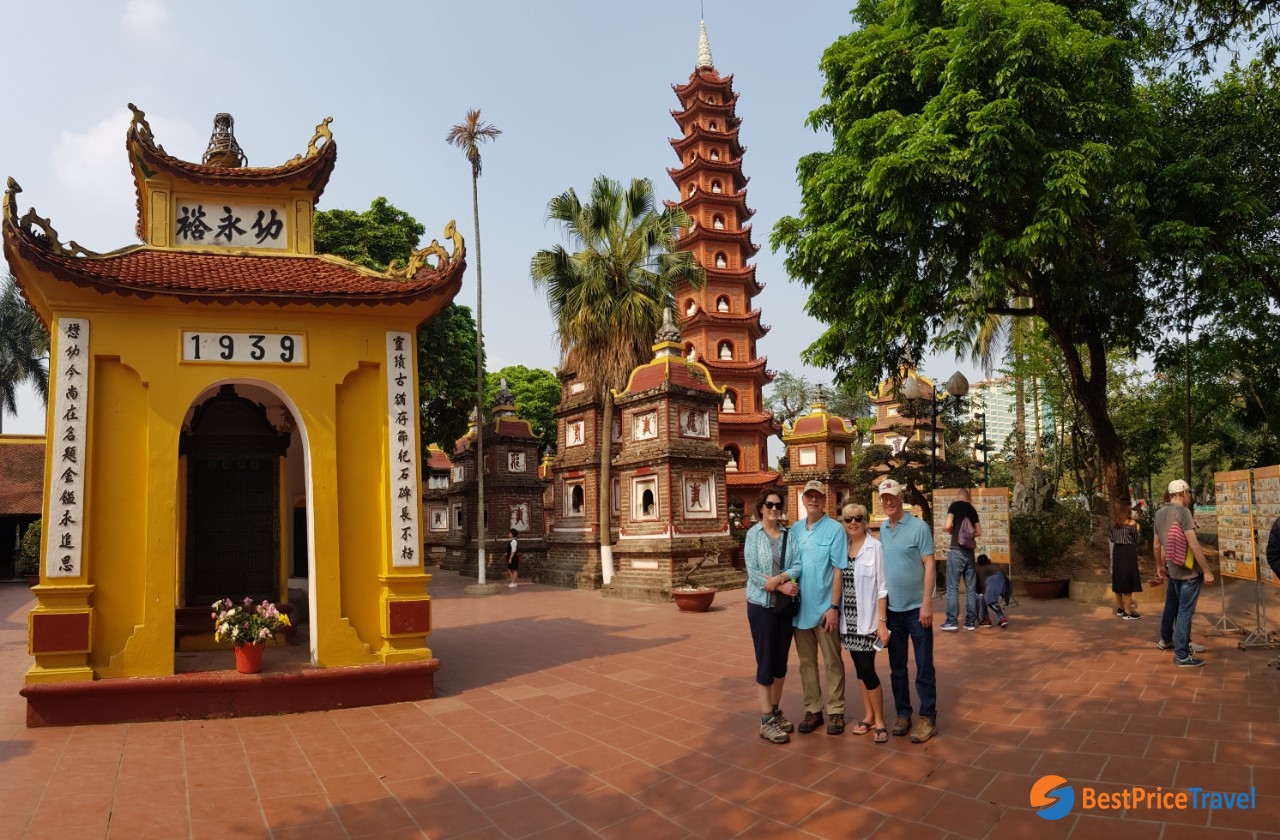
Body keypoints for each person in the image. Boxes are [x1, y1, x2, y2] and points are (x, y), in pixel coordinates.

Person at [877, 478, 938, 743]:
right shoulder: (882, 528)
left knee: (924, 666)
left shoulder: (918, 527)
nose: (888, 502)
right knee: (897, 667)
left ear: (901, 496)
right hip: (893, 611)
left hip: (917, 610)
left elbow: (930, 565)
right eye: (884, 498)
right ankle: (903, 712)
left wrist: (927, 603)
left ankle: (928, 717)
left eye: (892, 497)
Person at [787, 480, 849, 735]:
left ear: (825, 500)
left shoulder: (835, 530)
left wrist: (834, 607)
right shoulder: (795, 531)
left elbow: (838, 570)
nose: (813, 500)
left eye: (818, 497)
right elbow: (790, 566)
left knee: (832, 661)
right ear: (803, 499)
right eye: (809, 496)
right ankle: (813, 709)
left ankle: (836, 711)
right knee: (806, 663)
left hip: (825, 609)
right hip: (800, 609)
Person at [743, 488, 801, 744]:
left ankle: (775, 710)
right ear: (761, 508)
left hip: (783, 606)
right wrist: (780, 586)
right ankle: (766, 719)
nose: (774, 509)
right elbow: (753, 572)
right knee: (765, 660)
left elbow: (798, 564)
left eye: (778, 505)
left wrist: (781, 578)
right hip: (761, 605)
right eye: (769, 505)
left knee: (780, 662)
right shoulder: (752, 535)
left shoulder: (789, 534)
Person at [839, 502, 890, 743]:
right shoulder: (841, 547)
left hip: (868, 621)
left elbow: (882, 587)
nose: (853, 523)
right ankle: (868, 715)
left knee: (868, 670)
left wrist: (881, 621)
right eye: (848, 519)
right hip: (847, 622)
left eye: (858, 518)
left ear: (865, 521)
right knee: (858, 669)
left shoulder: (875, 547)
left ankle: (879, 720)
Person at [1154, 479, 1214, 666]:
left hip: (1172, 567)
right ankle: (1182, 655)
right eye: (1189, 493)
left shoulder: (1159, 512)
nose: (1190, 497)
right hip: (1188, 572)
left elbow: (1157, 545)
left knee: (1172, 604)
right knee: (1185, 611)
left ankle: (1167, 640)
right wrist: (1206, 570)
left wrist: (1159, 566)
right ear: (1183, 493)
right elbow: (1193, 543)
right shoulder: (1183, 512)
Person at [941, 488, 981, 632]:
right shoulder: (972, 510)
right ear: (968, 497)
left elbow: (947, 525)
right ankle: (970, 622)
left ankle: (952, 621)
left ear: (958, 497)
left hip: (956, 550)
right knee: (971, 588)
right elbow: (978, 531)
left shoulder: (954, 506)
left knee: (952, 587)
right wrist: (967, 536)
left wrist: (951, 531)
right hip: (969, 552)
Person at [1108, 499, 1142, 620]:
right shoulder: (1132, 523)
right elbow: (1137, 540)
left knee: (1118, 579)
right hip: (1128, 552)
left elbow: (1111, 538)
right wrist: (1138, 530)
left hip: (1117, 551)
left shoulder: (1112, 522)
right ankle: (1128, 612)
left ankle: (1120, 608)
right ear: (1127, 509)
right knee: (1129, 580)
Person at [975, 554, 1009, 628]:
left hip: (994, 582)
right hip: (1005, 582)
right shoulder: (993, 565)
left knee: (988, 600)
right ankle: (1001, 619)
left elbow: (981, 585)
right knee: (992, 601)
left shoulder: (981, 569)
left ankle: (999, 618)